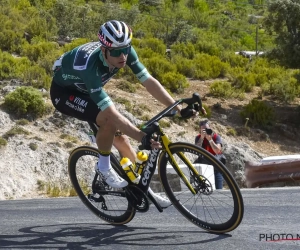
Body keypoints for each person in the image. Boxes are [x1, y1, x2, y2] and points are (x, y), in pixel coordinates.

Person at [50, 20, 201, 207]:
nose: (122, 55)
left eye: (126, 49)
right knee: (109, 121)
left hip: (87, 90)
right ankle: (103, 168)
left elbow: (148, 81)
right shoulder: (90, 67)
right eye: (115, 52)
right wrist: (142, 137)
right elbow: (112, 115)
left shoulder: (123, 51)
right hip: (65, 94)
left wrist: (177, 108)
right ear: (104, 50)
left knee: (123, 141)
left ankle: (146, 191)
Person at [194, 119, 225, 189]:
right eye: (203, 130)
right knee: (203, 189)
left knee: (218, 189)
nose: (205, 131)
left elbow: (217, 151)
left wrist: (210, 140)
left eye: (207, 129)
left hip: (216, 166)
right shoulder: (198, 138)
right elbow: (196, 150)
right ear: (200, 130)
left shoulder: (216, 137)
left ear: (210, 128)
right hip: (204, 166)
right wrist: (202, 138)